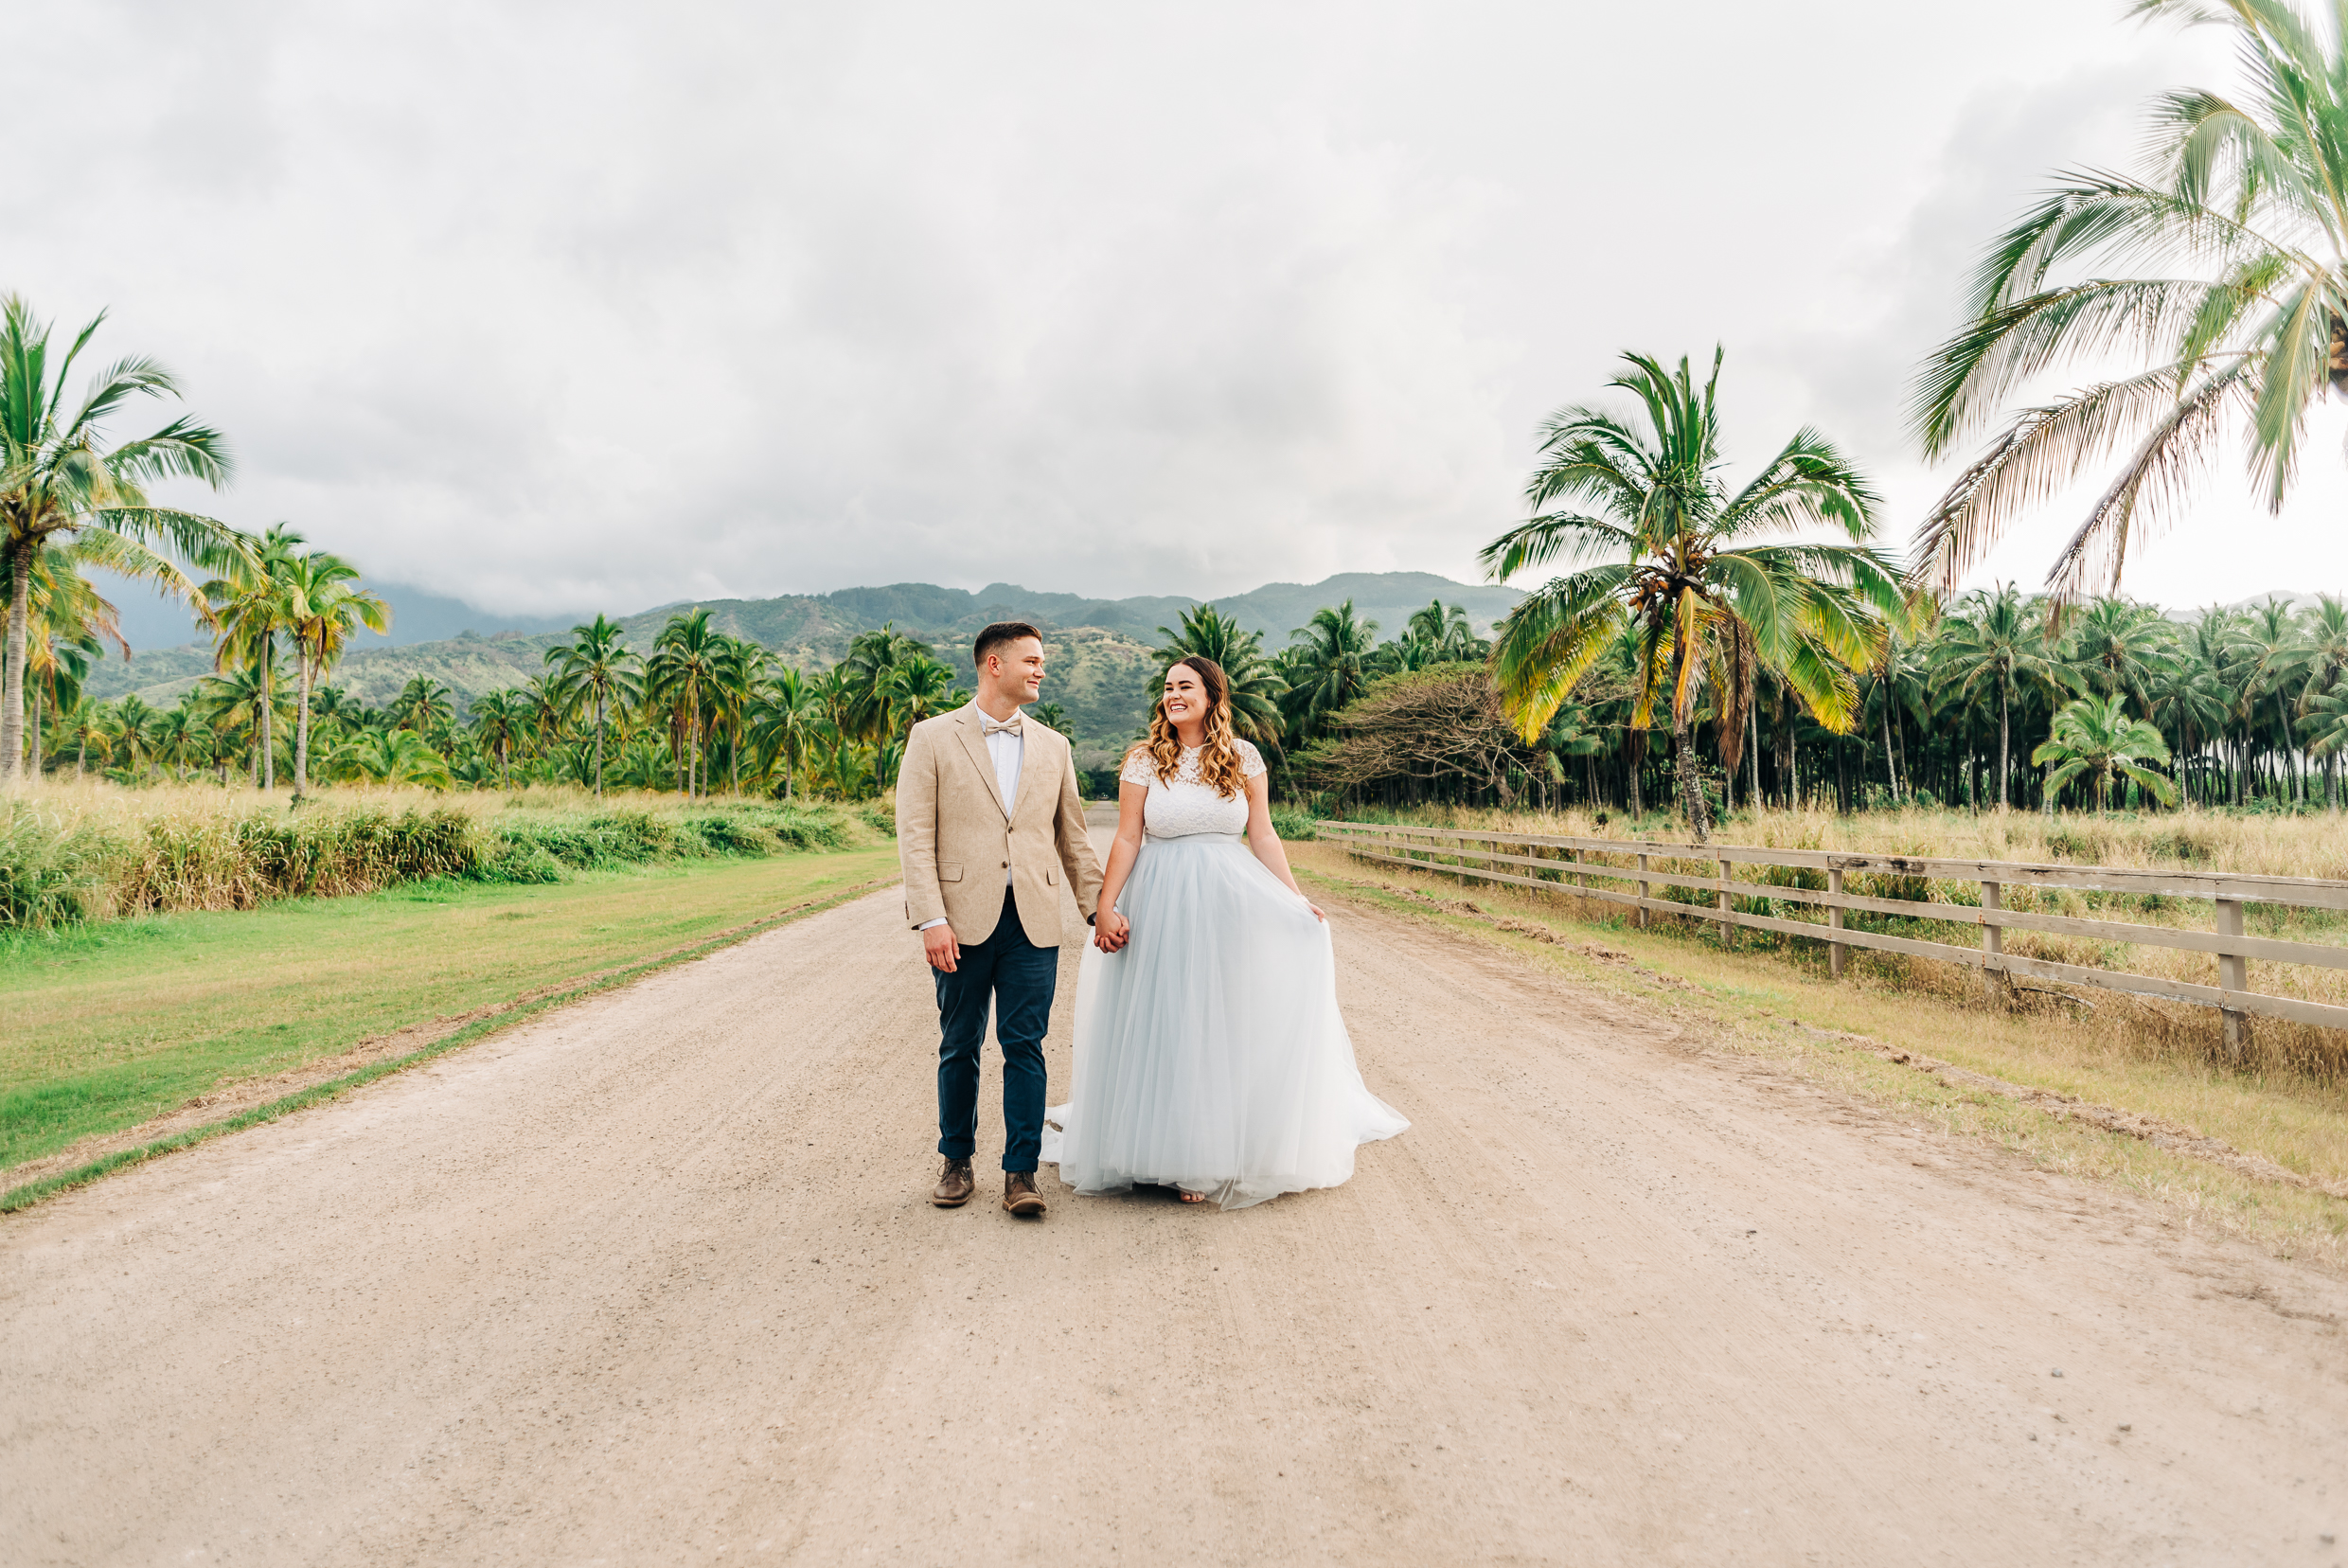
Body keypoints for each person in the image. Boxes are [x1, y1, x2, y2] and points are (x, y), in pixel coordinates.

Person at [1046, 656, 1407, 1209]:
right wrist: (1106, 906)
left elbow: (1261, 835)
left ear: (1213, 695)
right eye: (1167, 688)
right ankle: (1154, 1149)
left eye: (1185, 686)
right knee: (1166, 1020)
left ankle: (1205, 1155)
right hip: (1160, 899)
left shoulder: (1243, 757)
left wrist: (1294, 897)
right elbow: (1125, 839)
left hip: (1228, 901)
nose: (1173, 695)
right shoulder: (1144, 760)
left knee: (1221, 1019)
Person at [898, 621, 1107, 1219]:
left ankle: (1021, 1172)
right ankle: (956, 1161)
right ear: (995, 664)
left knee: (1026, 1046)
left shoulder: (1054, 746)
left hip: (1034, 920)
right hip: (960, 920)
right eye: (1032, 660)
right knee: (959, 1043)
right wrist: (930, 918)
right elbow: (915, 837)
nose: (1042, 670)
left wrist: (1097, 909)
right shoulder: (932, 738)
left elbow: (1074, 839)